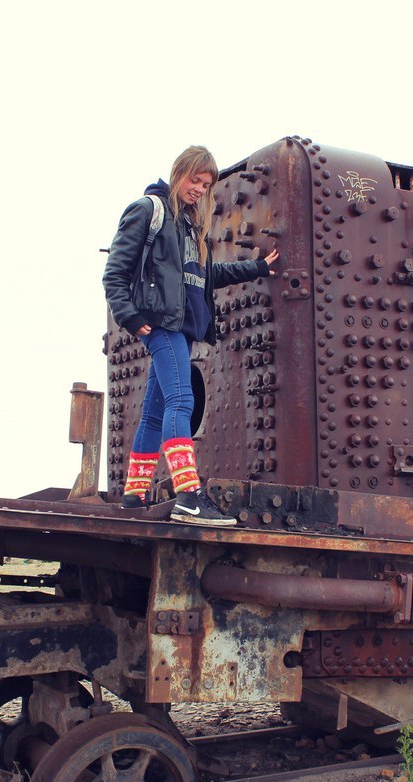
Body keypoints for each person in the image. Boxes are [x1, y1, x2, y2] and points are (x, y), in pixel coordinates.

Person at [103, 145, 278, 526]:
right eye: (195, 180)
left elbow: (207, 277)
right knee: (181, 402)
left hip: (180, 328)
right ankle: (188, 497)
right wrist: (130, 318)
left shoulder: (190, 226)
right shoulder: (149, 211)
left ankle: (134, 496)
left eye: (206, 184)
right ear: (179, 172)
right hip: (161, 325)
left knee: (153, 414)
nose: (199, 188)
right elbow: (114, 272)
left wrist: (258, 267)